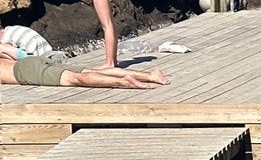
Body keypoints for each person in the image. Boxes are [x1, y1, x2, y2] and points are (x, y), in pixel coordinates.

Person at [1, 51, 168, 89]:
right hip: (29, 61)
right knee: (90, 71)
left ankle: (123, 82)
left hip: (23, 72)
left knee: (74, 79)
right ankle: (150, 75)